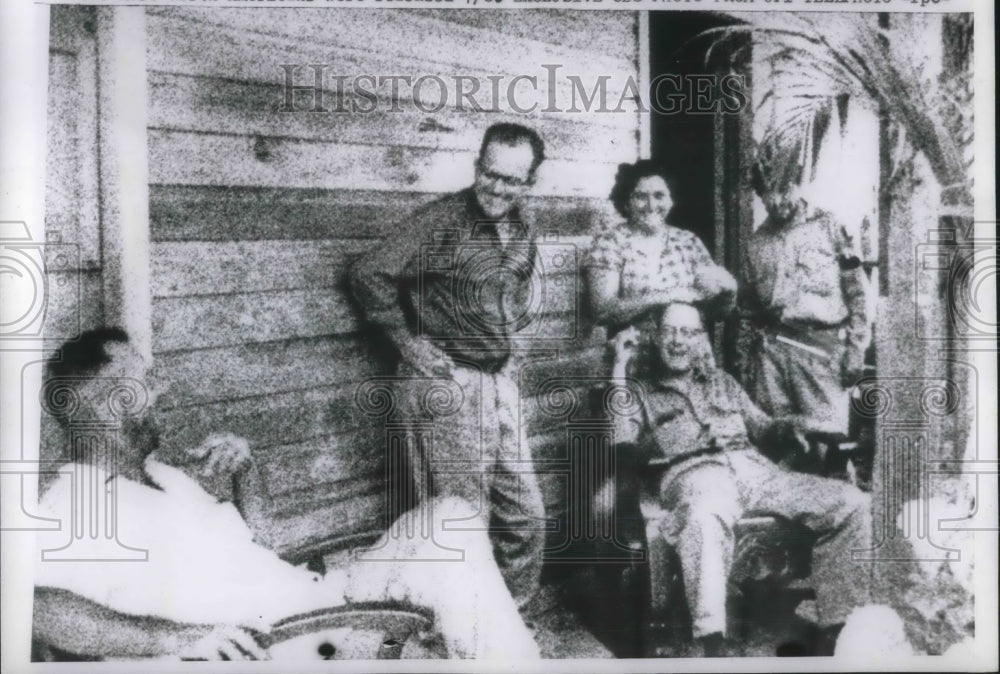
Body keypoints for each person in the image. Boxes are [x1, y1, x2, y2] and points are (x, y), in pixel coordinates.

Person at [33, 328, 541, 661]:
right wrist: (174, 639)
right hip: (296, 644)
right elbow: (35, 608)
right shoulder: (74, 504)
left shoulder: (161, 476)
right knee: (469, 604)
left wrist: (246, 473)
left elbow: (266, 545)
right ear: (106, 404)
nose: (163, 389)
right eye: (146, 379)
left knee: (452, 518)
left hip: (321, 600)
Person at [348, 123, 548, 616]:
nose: (499, 188)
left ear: (531, 181)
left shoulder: (524, 224)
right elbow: (368, 273)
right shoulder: (440, 221)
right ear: (477, 165)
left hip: (497, 382)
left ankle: (510, 622)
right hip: (448, 384)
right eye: (490, 173)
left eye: (513, 180)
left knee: (527, 516)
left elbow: (511, 292)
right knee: (461, 526)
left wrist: (509, 351)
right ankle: (462, 635)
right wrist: (406, 341)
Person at [606, 303, 872, 657]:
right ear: (655, 336)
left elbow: (763, 427)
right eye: (670, 331)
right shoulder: (640, 390)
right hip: (695, 474)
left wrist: (794, 425)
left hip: (755, 470)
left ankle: (837, 629)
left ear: (702, 339)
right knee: (704, 516)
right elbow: (618, 440)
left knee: (852, 503)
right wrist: (619, 366)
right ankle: (712, 641)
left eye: (689, 332)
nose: (678, 341)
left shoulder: (722, 383)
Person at [740, 163, 870, 438]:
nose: (777, 200)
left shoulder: (830, 227)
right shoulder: (756, 244)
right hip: (772, 354)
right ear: (759, 195)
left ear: (798, 183)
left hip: (822, 350)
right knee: (778, 444)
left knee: (828, 442)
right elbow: (751, 308)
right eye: (768, 192)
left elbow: (857, 292)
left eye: (784, 189)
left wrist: (857, 348)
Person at [586, 159, 737, 334]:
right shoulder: (610, 243)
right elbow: (602, 311)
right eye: (640, 196)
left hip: (686, 349)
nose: (651, 206)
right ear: (626, 203)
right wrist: (667, 296)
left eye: (659, 196)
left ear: (671, 201)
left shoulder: (688, 242)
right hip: (633, 351)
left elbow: (715, 312)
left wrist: (729, 295)